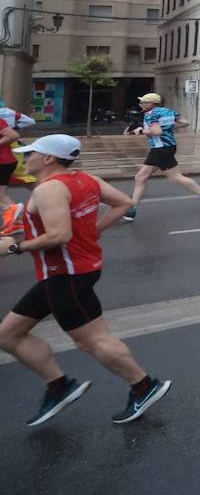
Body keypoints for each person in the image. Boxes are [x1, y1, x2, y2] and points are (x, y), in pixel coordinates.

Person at [0, 135, 172, 426]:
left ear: (48, 158)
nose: (25, 158)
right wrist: (95, 230)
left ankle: (143, 386)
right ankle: (58, 386)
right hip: (66, 272)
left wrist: (15, 246)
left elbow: (59, 236)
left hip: (67, 275)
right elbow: (123, 202)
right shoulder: (85, 179)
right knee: (8, 335)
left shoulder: (48, 190)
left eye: (30, 153)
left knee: (92, 340)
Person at [126, 92, 200, 219]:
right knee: (175, 177)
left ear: (151, 103)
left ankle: (132, 209)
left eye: (143, 102)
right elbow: (185, 122)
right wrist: (168, 127)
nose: (140, 104)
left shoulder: (150, 114)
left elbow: (157, 131)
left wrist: (141, 131)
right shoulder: (168, 111)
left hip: (159, 149)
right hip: (169, 147)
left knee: (140, 177)